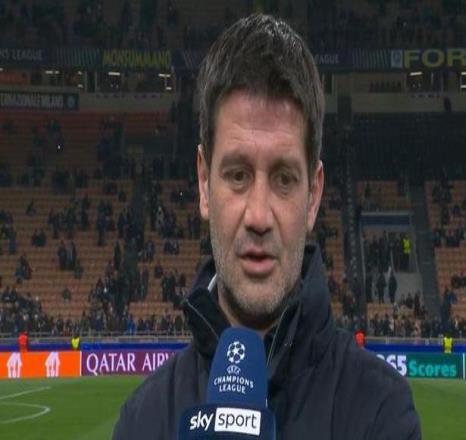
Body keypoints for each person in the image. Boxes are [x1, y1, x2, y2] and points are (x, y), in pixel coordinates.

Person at [113, 14, 420, 440]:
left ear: (313, 195)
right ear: (203, 183)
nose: (258, 216)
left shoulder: (381, 413)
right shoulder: (142, 421)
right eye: (238, 175)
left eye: (283, 179)